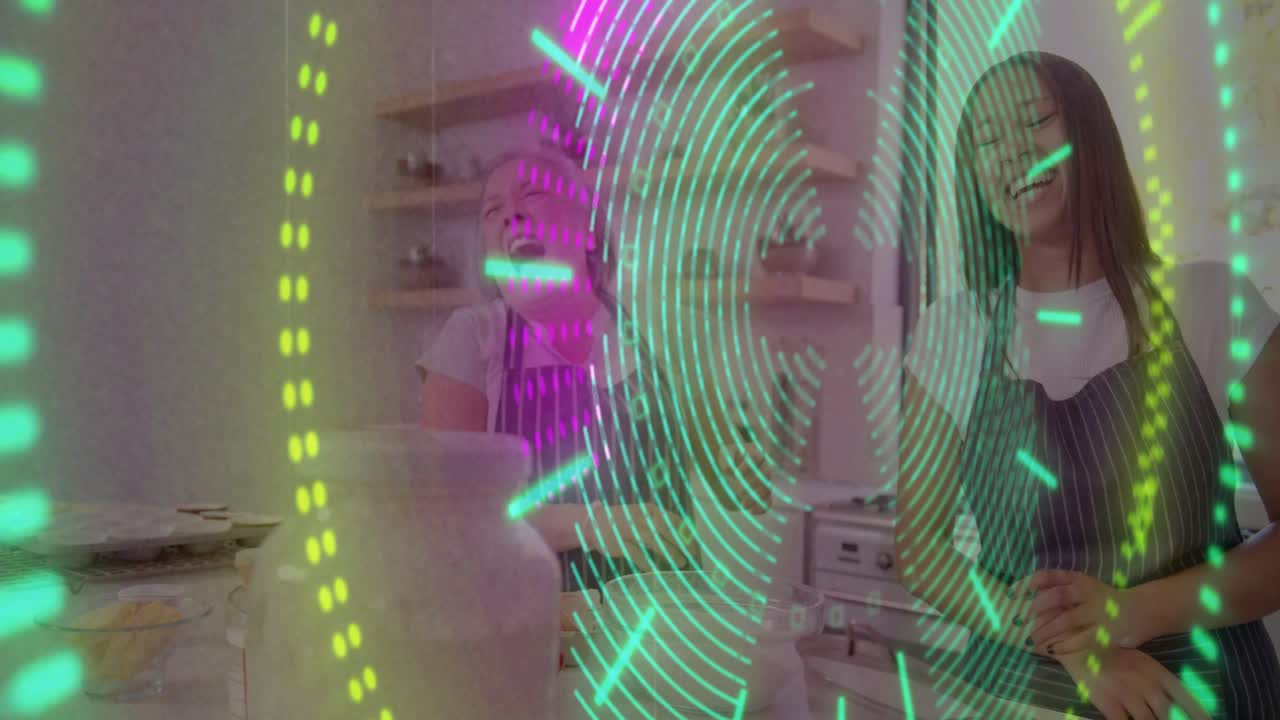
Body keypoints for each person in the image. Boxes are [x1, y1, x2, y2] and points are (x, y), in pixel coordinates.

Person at [897, 52, 1280, 719]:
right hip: (1018, 696)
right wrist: (1075, 645)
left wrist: (1129, 614)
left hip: (1202, 694)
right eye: (988, 140)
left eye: (1035, 121)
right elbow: (918, 549)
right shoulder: (953, 331)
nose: (1013, 151)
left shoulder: (1214, 302)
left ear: (1091, 134)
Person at [416, 136, 769, 592]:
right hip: (535, 623)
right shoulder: (472, 338)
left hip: (664, 620)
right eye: (492, 210)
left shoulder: (661, 328)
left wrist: (748, 476)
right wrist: (590, 524)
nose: (510, 215)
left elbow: (728, 475)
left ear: (588, 230)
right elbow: (450, 512)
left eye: (532, 194)